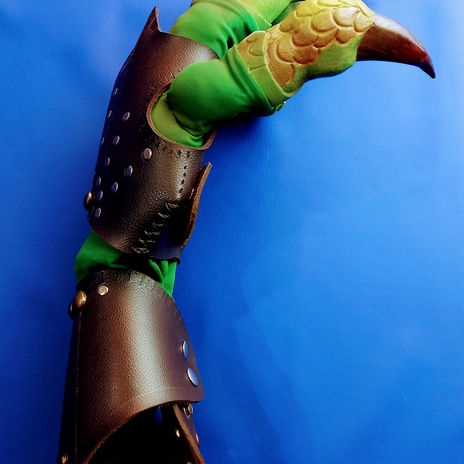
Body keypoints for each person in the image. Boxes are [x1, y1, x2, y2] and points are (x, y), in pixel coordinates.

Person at [59, 1, 434, 463]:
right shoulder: (180, 90)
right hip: (119, 280)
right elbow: (193, 94)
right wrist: (295, 49)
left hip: (120, 273)